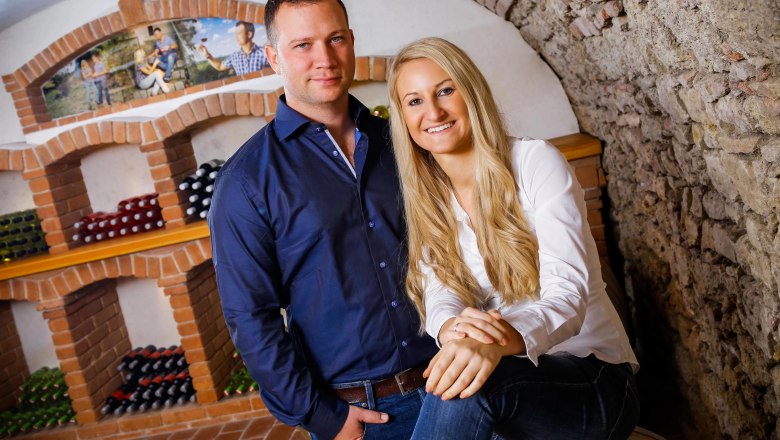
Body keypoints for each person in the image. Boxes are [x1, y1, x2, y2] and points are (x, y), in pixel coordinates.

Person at [387, 37, 640, 439]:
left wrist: (496, 339)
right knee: (458, 380)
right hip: (517, 382)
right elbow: (439, 292)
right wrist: (453, 327)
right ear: (402, 117)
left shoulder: (535, 163)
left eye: (445, 90)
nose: (432, 111)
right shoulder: (427, 198)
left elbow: (568, 295)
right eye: (414, 101)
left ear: (471, 92)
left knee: (471, 388)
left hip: (595, 377)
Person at [208, 1, 437, 439]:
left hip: (453, 383)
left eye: (335, 39)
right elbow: (250, 316)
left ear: (351, 42)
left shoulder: (403, 141)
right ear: (274, 58)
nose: (325, 59)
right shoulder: (245, 182)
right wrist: (321, 417)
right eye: (302, 45)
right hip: (366, 416)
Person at [198, 21, 269, 75]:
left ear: (249, 34)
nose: (236, 36)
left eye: (239, 33)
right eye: (236, 34)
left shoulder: (265, 53)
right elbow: (219, 66)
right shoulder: (235, 57)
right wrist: (207, 56)